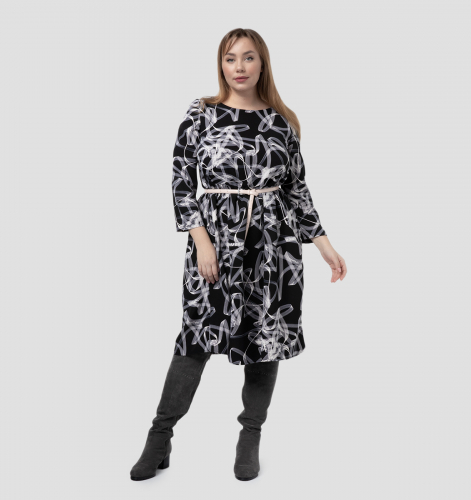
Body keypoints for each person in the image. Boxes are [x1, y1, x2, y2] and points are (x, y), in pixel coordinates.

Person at [130, 28, 347, 482]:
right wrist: (201, 241)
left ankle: (250, 437)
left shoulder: (282, 121)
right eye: (231, 58)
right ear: (221, 65)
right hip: (216, 242)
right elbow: (181, 181)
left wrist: (324, 245)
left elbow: (296, 189)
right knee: (196, 336)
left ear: (262, 63)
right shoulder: (201, 114)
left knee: (266, 339)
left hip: (273, 246)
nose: (240, 67)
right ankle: (159, 436)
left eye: (249, 57)